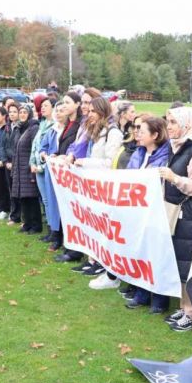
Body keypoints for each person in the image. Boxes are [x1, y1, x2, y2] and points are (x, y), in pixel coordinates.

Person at [159, 106, 192, 332]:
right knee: (180, 263)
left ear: (186, 124)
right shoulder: (179, 147)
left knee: (189, 265)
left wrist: (174, 178)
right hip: (179, 213)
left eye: (172, 122)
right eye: (168, 121)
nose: (168, 126)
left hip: (191, 215)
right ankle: (185, 308)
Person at [120, 116, 171, 313]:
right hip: (136, 211)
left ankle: (159, 300)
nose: (138, 133)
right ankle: (141, 294)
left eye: (142, 130)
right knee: (139, 252)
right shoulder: (139, 153)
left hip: (155, 212)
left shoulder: (165, 156)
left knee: (155, 255)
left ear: (155, 135)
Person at [72, 97, 125, 281]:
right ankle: (92, 259)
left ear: (102, 112)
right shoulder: (96, 131)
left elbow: (111, 162)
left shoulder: (113, 133)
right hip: (92, 185)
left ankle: (103, 264)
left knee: (103, 227)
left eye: (93, 111)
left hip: (104, 187)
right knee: (91, 224)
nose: (89, 113)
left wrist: (85, 163)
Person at [54, 92, 84, 262]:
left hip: (74, 172)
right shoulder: (68, 124)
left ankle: (74, 251)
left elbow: (76, 147)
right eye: (63, 102)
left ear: (77, 104)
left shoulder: (79, 125)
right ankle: (68, 245)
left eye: (67, 102)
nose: (63, 105)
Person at [40, 102, 67, 250]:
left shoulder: (69, 130)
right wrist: (43, 154)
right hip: (51, 172)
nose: (58, 113)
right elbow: (43, 147)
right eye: (57, 111)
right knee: (53, 204)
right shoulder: (52, 130)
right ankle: (56, 236)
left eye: (62, 111)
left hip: (64, 173)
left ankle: (65, 237)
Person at [11, 105, 42, 234]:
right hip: (19, 169)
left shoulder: (33, 128)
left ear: (29, 114)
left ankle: (36, 225)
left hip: (28, 169)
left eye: (25, 112)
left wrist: (31, 168)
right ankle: (27, 223)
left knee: (32, 198)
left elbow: (35, 149)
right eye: (21, 112)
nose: (22, 114)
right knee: (23, 198)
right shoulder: (20, 128)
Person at [30, 95, 55, 240]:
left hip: (46, 169)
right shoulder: (43, 124)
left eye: (46, 105)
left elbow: (51, 149)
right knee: (45, 200)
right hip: (37, 167)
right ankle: (50, 230)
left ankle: (54, 231)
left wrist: (41, 167)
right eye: (42, 106)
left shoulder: (54, 126)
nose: (42, 108)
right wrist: (32, 163)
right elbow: (35, 145)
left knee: (50, 200)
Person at [3, 101, 22, 225]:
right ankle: (14, 215)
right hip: (8, 164)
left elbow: (19, 148)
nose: (12, 114)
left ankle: (20, 216)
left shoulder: (21, 128)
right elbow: (3, 145)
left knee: (18, 191)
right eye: (10, 112)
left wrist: (13, 162)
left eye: (15, 112)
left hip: (17, 164)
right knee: (11, 191)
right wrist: (5, 161)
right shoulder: (8, 127)